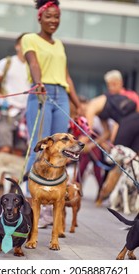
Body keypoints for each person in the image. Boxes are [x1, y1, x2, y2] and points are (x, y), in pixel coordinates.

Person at [21, 0, 82, 227]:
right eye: (49, 16)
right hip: (41, 93)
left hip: (61, 96)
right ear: (40, 17)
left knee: (61, 149)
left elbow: (66, 77)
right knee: (39, 146)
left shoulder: (60, 45)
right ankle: (30, 204)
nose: (53, 21)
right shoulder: (30, 39)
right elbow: (34, 63)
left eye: (57, 17)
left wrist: (77, 104)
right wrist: (38, 83)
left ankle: (49, 209)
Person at [84, 70, 139, 203]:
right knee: (133, 161)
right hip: (132, 124)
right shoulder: (105, 102)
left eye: (113, 84)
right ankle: (107, 196)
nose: (111, 87)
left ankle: (103, 196)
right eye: (109, 85)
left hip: (130, 123)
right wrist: (92, 145)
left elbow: (87, 131)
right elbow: (106, 133)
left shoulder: (91, 106)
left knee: (118, 161)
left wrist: (81, 145)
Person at [0, 33, 30, 196]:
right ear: (17, 46)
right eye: (23, 43)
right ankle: (0, 183)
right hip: (8, 111)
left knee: (19, 150)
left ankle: (14, 185)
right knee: (5, 147)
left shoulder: (33, 65)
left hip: (26, 113)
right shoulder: (6, 63)